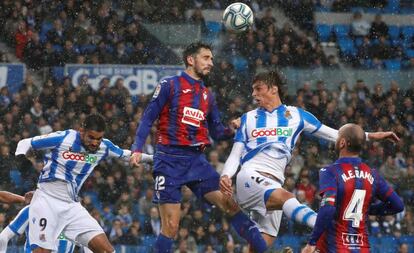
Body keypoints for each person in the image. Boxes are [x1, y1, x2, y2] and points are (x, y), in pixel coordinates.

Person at [219, 71, 400, 250]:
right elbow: (236, 154)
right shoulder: (248, 118)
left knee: (262, 243)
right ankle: (323, 225)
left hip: (273, 183)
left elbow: (336, 135)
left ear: (273, 89)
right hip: (250, 176)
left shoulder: (296, 115)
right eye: (253, 90)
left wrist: (371, 136)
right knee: (288, 198)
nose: (253, 94)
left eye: (258, 89)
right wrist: (226, 174)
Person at [130, 42, 268, 253]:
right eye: (206, 58)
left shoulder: (207, 95)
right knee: (171, 227)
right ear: (190, 60)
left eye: (211, 59)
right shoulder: (170, 84)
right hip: (169, 159)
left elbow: (217, 132)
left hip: (196, 161)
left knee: (231, 205)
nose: (210, 63)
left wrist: (233, 128)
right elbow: (148, 118)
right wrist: (137, 148)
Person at [14, 114, 152, 253]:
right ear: (82, 131)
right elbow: (25, 143)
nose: (94, 143)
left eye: (98, 138)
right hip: (46, 200)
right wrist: (22, 161)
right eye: (91, 137)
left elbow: (129, 155)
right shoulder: (64, 137)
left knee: (106, 250)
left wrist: (155, 158)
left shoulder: (104, 147)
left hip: (71, 206)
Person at [302, 124, 404, 252]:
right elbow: (398, 205)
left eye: (337, 137)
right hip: (363, 248)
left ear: (342, 143)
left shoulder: (330, 171)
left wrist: (312, 242)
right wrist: (366, 209)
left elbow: (328, 208)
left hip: (335, 247)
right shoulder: (373, 174)